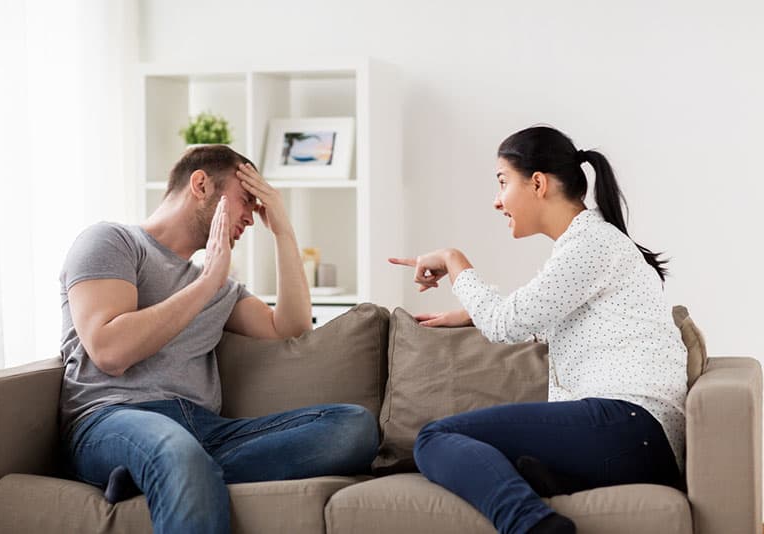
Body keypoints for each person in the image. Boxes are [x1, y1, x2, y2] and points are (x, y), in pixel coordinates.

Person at [59, 145, 379, 534]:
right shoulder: (112, 242)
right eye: (246, 199)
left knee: (354, 427)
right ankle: (170, 468)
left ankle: (156, 475)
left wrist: (283, 229)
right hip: (113, 418)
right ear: (200, 184)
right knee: (175, 451)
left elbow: (292, 329)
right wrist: (208, 281)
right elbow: (110, 351)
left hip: (205, 430)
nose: (250, 216)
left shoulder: (220, 286)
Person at [389, 126, 686, 534]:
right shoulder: (587, 245)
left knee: (435, 438)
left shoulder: (592, 244)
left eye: (502, 182)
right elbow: (549, 323)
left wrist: (453, 260)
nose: (497, 201)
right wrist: (474, 312)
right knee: (482, 459)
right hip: (633, 433)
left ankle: (535, 528)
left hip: (629, 424)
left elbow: (504, 325)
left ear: (538, 183)